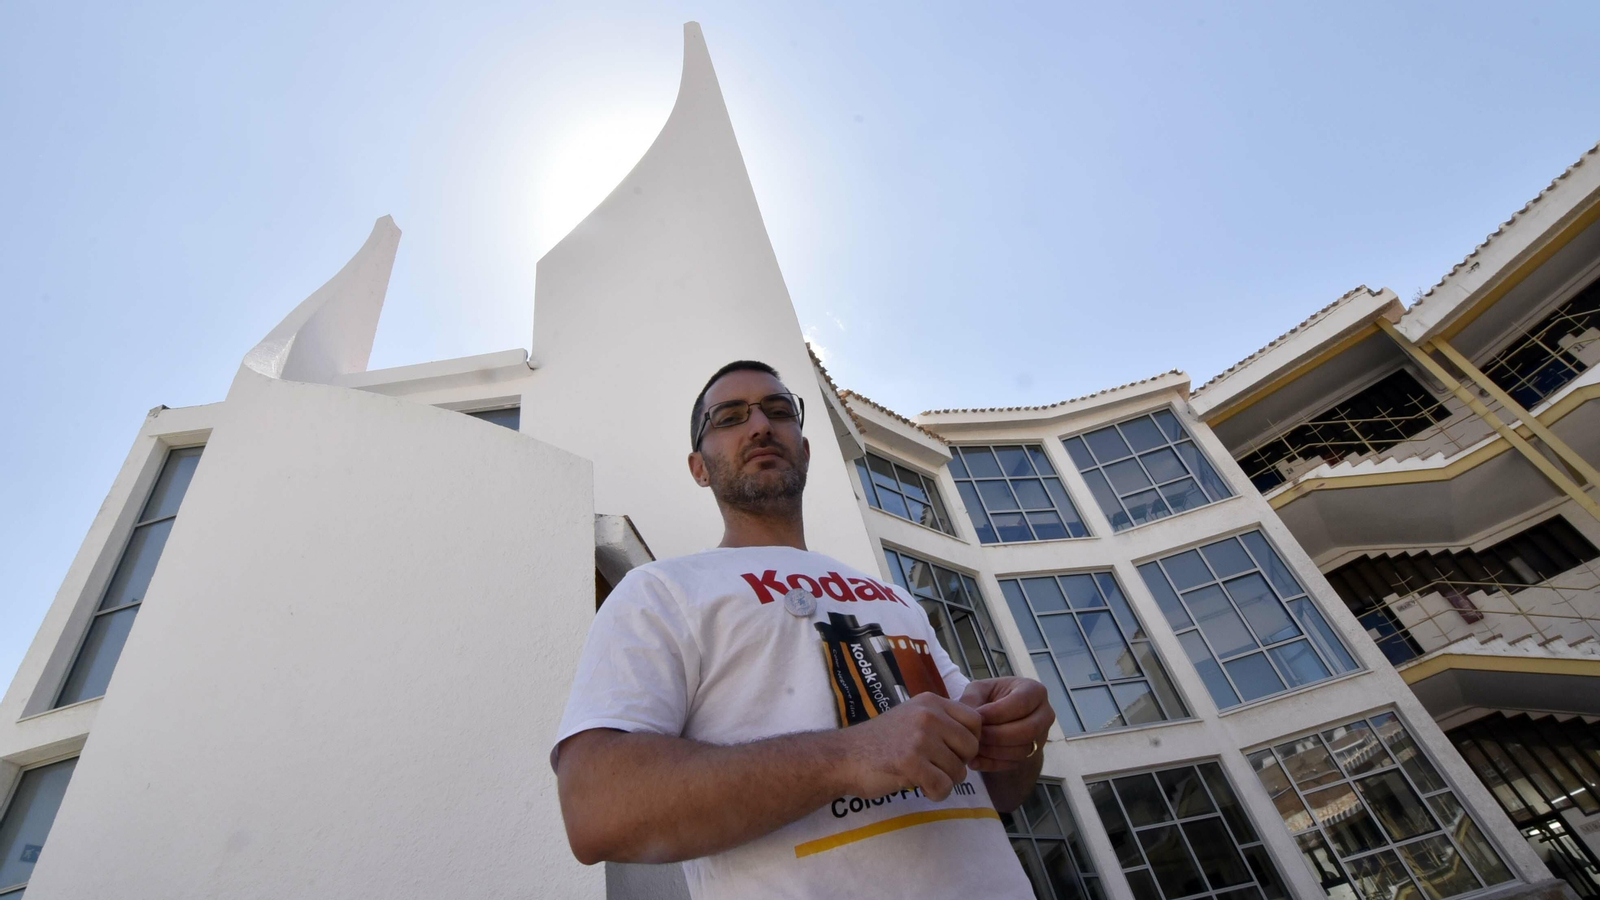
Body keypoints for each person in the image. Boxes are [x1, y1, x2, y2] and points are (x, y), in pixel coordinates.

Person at [553, 360, 1055, 899]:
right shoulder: (662, 590)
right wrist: (851, 755)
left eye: (778, 411)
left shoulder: (894, 596)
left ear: (807, 450)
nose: (760, 426)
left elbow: (998, 790)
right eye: (729, 417)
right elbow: (595, 807)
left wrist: (1017, 736)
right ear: (699, 468)